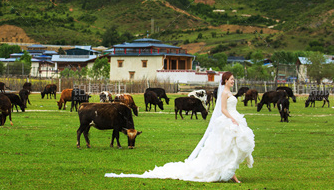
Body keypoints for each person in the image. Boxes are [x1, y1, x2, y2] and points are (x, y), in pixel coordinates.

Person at [105, 72, 254, 182]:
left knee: (231, 147)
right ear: (226, 81)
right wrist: (233, 119)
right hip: (229, 120)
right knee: (225, 147)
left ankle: (230, 172)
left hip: (234, 119)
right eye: (231, 79)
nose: (233, 81)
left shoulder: (230, 92)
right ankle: (229, 173)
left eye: (234, 79)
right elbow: (223, 110)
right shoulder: (224, 94)